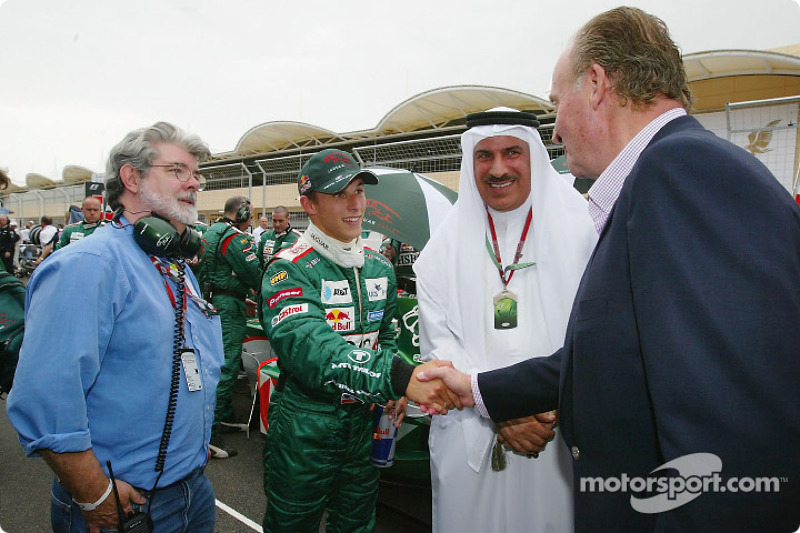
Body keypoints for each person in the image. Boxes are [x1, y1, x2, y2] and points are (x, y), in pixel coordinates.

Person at [418, 7, 800, 532]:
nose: (554, 129)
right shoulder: (667, 175)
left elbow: (727, 425)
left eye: (558, 104)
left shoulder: (679, 173)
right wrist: (481, 391)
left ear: (595, 85)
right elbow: (611, 353)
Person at [7, 121, 224, 532]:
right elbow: (45, 398)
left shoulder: (173, 264)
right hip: (129, 501)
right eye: (178, 170)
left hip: (191, 488)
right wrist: (94, 493)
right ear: (132, 177)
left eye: (197, 174)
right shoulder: (91, 265)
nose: (194, 182)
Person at [413, 108, 596, 533]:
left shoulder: (583, 233)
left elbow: (596, 338)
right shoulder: (442, 249)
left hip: (555, 432)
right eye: (484, 156)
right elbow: (439, 348)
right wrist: (497, 408)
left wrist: (529, 407)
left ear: (533, 155)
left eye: (512, 152)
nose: (497, 169)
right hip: (470, 436)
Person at [259, 149, 458, 532]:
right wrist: (399, 378)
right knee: (290, 525)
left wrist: (392, 392)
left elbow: (386, 335)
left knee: (356, 525)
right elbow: (310, 349)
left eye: (360, 191)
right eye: (339, 194)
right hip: (306, 423)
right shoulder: (289, 268)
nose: (355, 204)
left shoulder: (379, 265)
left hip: (366, 422)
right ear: (309, 205)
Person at [197, 195, 261, 458]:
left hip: (209, 302)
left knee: (213, 361)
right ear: (243, 213)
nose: (252, 220)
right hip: (227, 308)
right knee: (226, 365)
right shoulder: (236, 237)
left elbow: (212, 272)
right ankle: (209, 432)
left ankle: (221, 415)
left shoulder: (210, 232)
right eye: (251, 215)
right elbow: (254, 273)